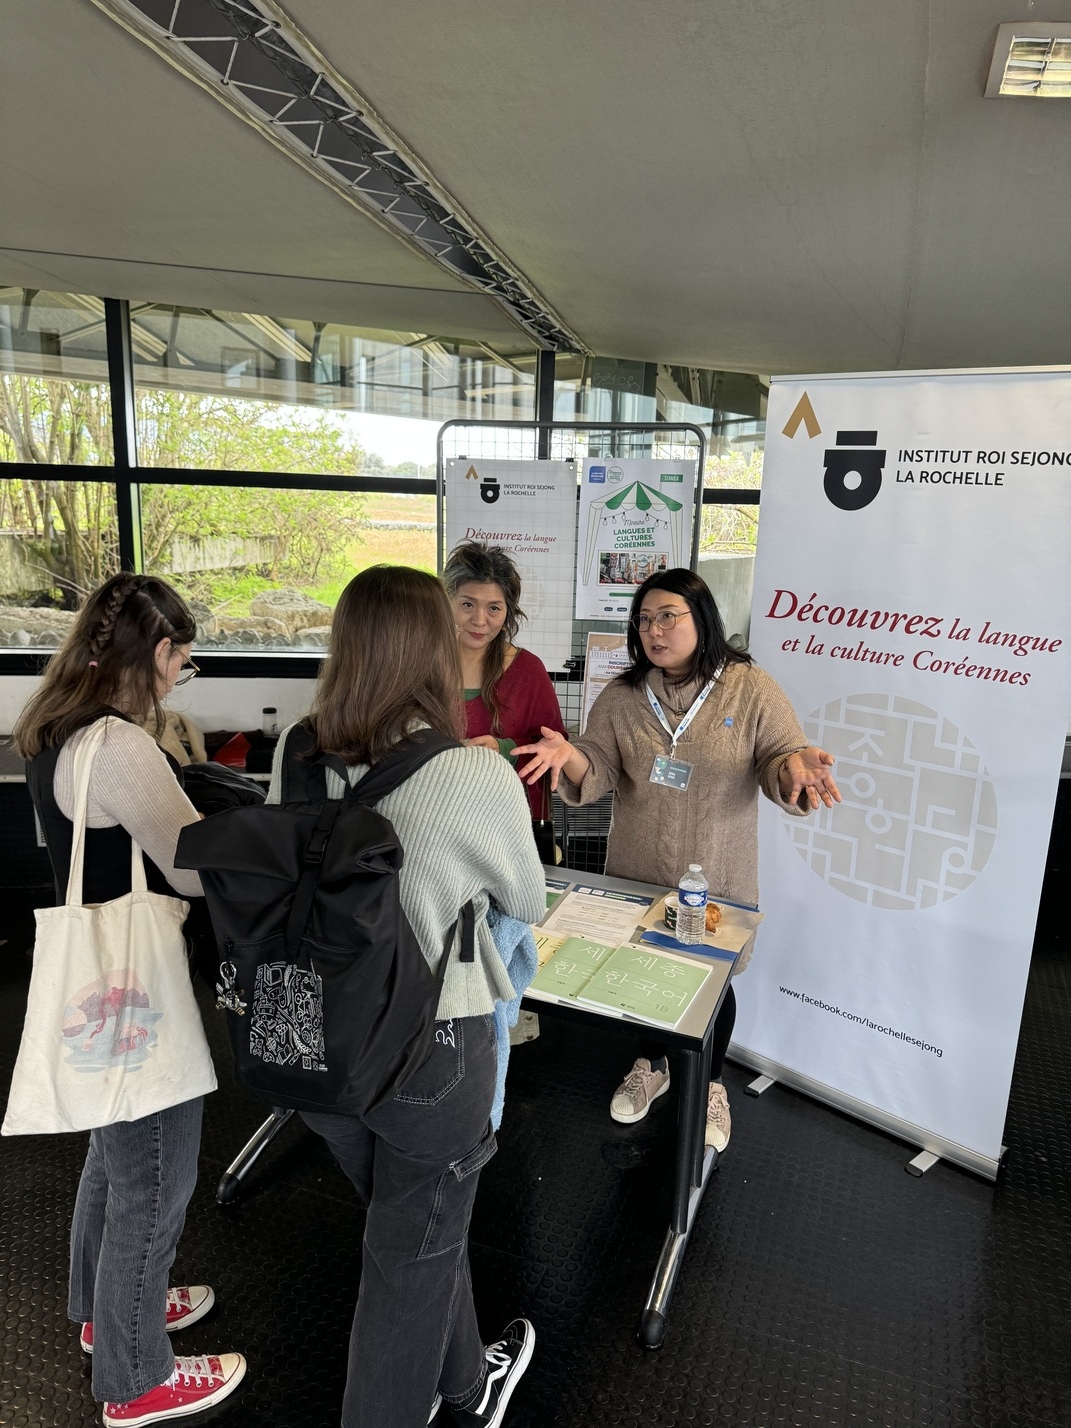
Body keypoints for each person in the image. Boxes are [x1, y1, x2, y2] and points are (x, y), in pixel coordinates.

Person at [266, 565, 545, 1428]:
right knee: (408, 1253)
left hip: (310, 1039)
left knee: (414, 1230)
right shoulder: (473, 774)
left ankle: (466, 1383)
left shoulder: (297, 750)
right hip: (432, 1045)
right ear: (435, 649)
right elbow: (526, 898)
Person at [12, 573, 246, 1428]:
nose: (180, 675)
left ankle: (105, 1314)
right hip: (137, 993)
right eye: (182, 659)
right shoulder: (118, 746)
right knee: (154, 1175)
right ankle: (137, 1375)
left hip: (97, 990)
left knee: (114, 1159)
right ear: (157, 650)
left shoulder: (52, 730)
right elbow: (193, 870)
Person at [514, 567, 840, 1153]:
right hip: (638, 868)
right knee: (640, 972)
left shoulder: (749, 688)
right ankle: (652, 1066)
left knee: (713, 983)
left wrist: (793, 769)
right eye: (644, 620)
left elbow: (779, 756)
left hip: (719, 873)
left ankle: (712, 1084)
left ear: (702, 619)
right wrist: (569, 755)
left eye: (668, 616)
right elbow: (597, 766)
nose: (654, 631)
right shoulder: (622, 697)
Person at [442, 541, 566, 861]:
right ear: (446, 601)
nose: (480, 620)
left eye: (494, 608)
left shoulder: (528, 670)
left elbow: (553, 745)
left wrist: (503, 749)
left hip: (506, 831)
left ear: (508, 611)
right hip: (434, 822)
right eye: (467, 604)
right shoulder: (421, 664)